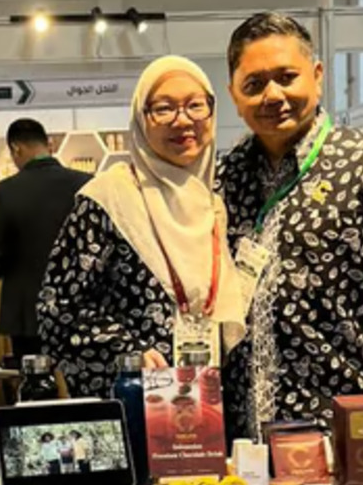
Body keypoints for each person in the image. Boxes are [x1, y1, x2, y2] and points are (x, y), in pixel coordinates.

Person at [217, 12, 363, 440]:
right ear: (234, 96)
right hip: (243, 431)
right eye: (254, 84)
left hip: (343, 424)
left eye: (287, 77)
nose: (273, 95)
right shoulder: (226, 178)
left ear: (317, 77)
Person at [39, 55, 244, 397]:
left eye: (195, 105)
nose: (183, 120)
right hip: (136, 400)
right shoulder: (107, 200)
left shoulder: (222, 199)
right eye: (163, 109)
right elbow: (57, 311)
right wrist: (128, 353)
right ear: (140, 117)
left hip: (216, 399)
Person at [0, 118, 87, 360]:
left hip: (28, 314)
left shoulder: (4, 192)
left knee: (35, 378)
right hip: (82, 310)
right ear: (48, 144)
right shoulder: (86, 184)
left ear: (16, 148)